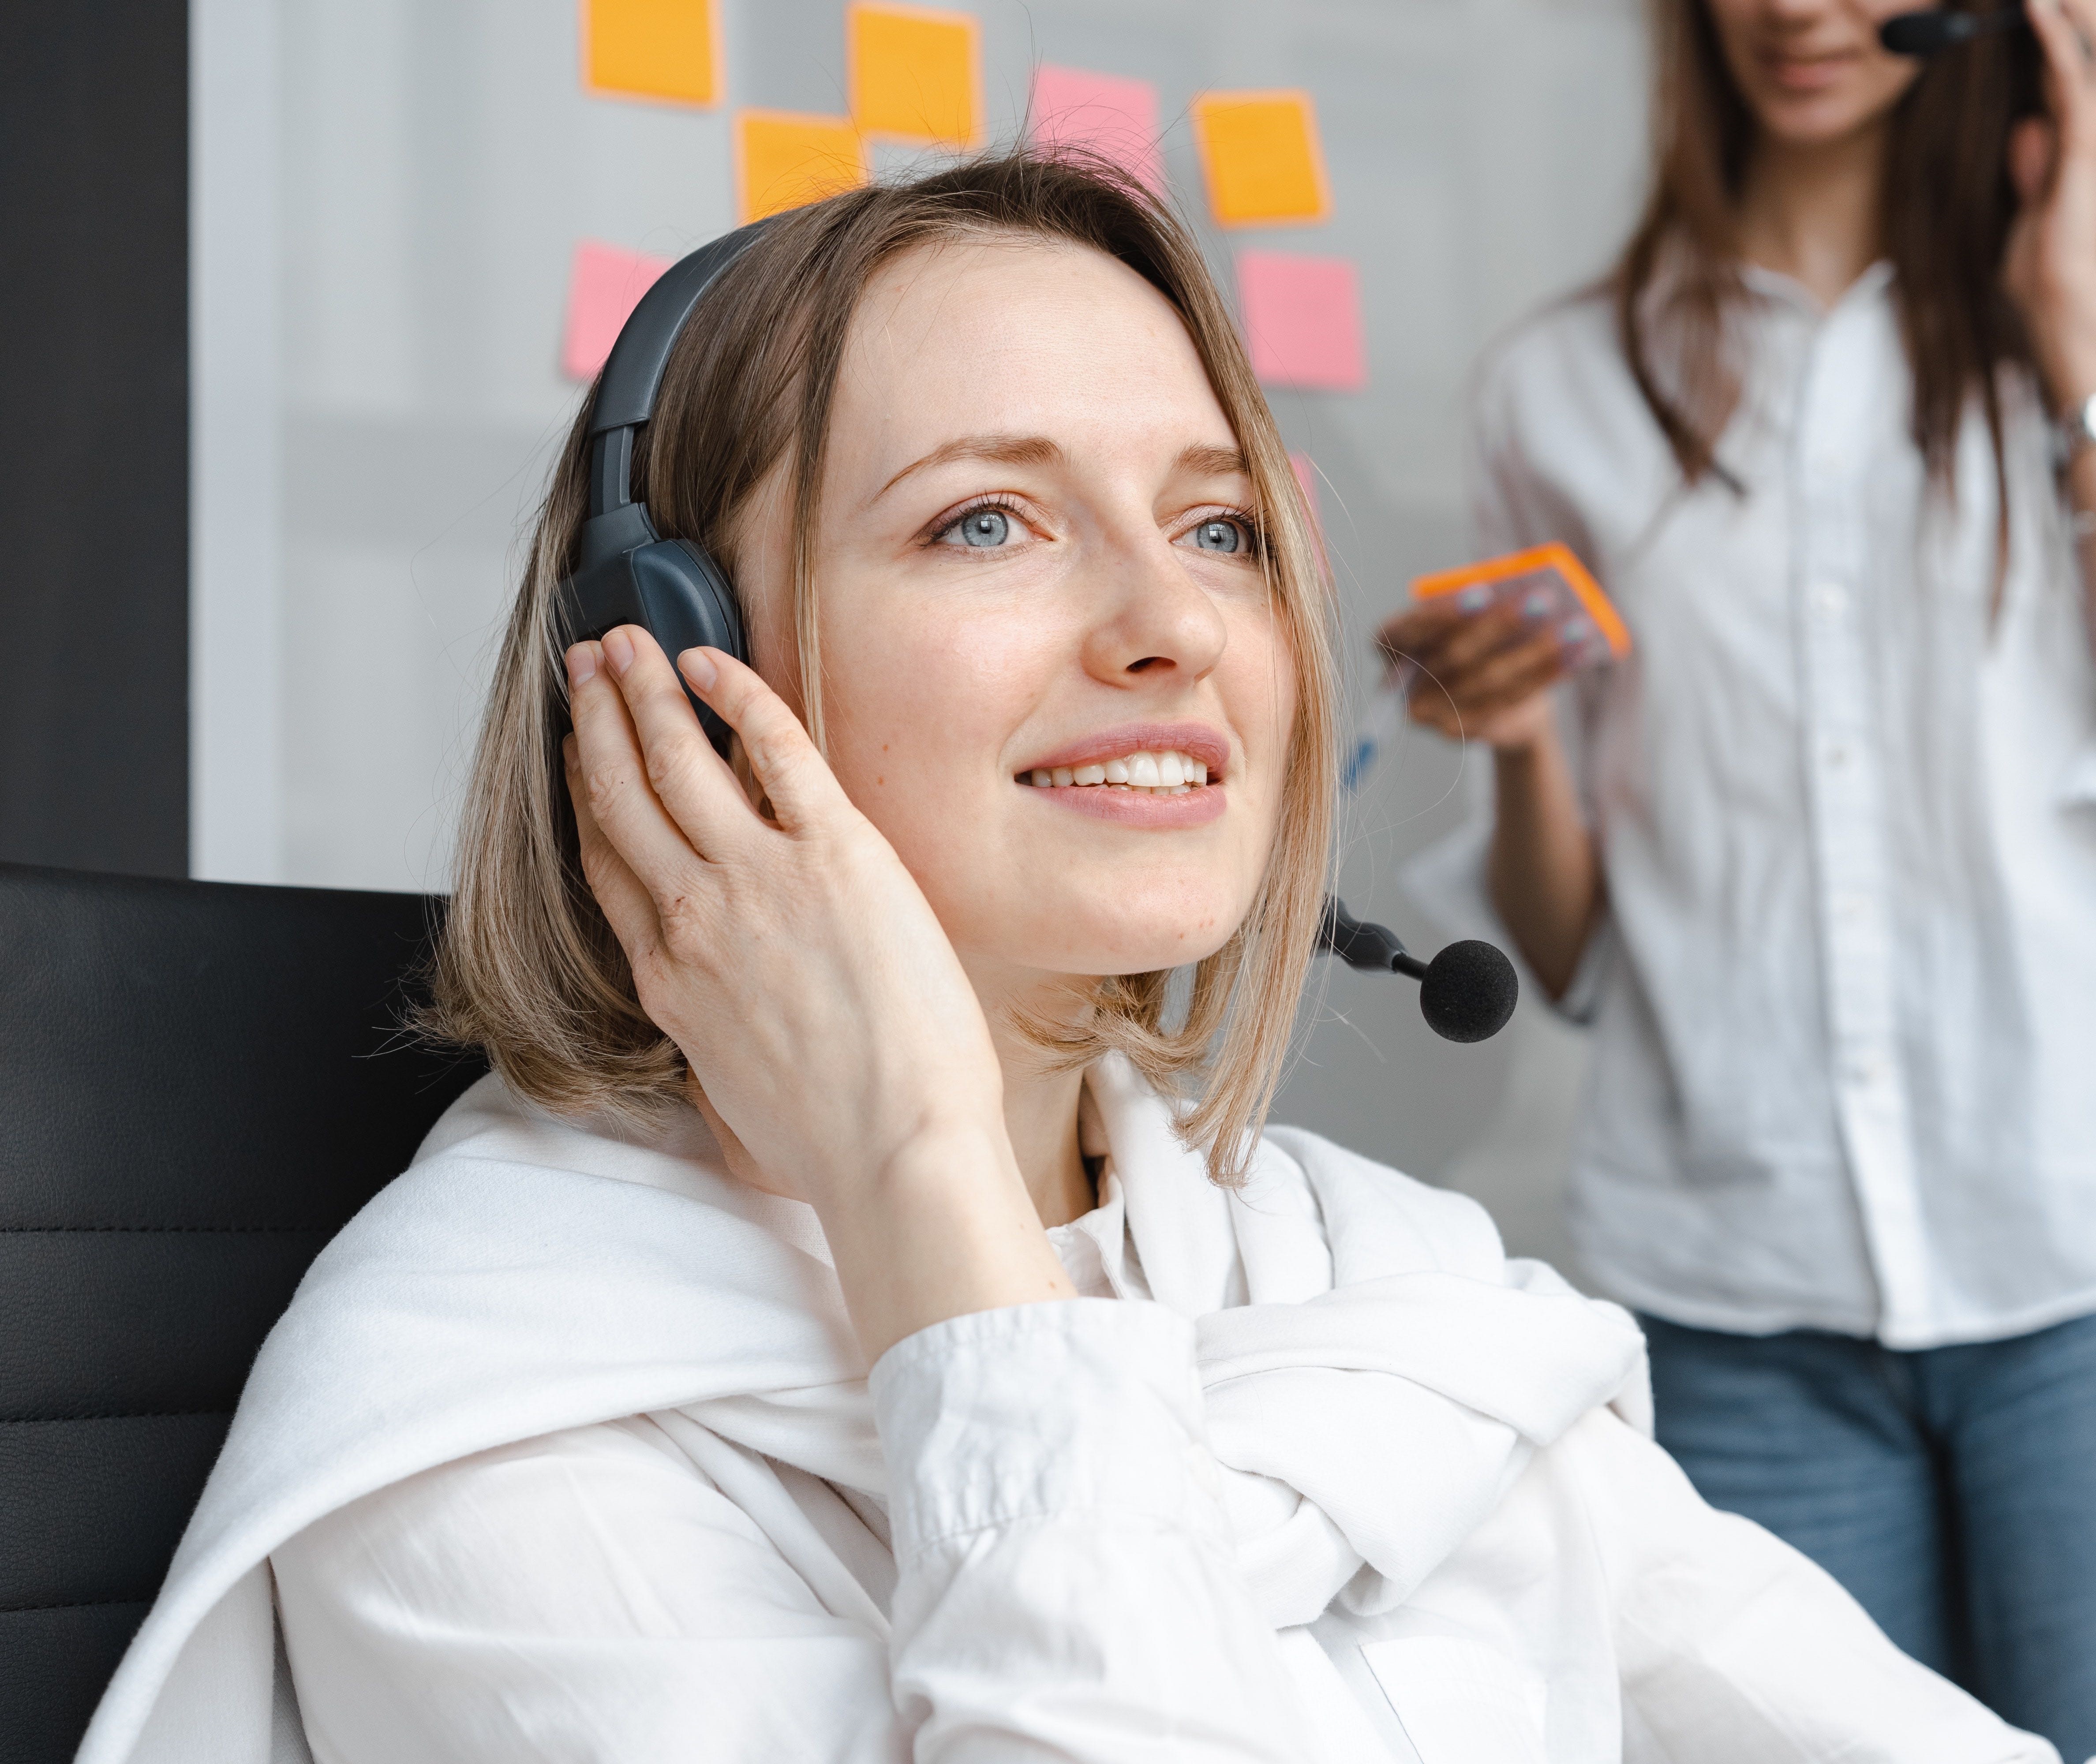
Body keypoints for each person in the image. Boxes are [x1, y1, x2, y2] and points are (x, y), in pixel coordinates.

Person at [79, 154, 2051, 1764]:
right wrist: (922, 1189)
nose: (1169, 626)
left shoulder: (1377, 1290)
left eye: (1216, 530)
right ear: (680, 665)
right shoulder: (491, 1440)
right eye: (989, 522)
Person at [1384, 0, 2096, 1756]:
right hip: (1732, 1282)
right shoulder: (1562, 387)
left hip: (2071, 1253)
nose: (1801, 9)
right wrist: (1525, 735)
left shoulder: (2057, 342)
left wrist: (2077, 335)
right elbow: (1565, 949)